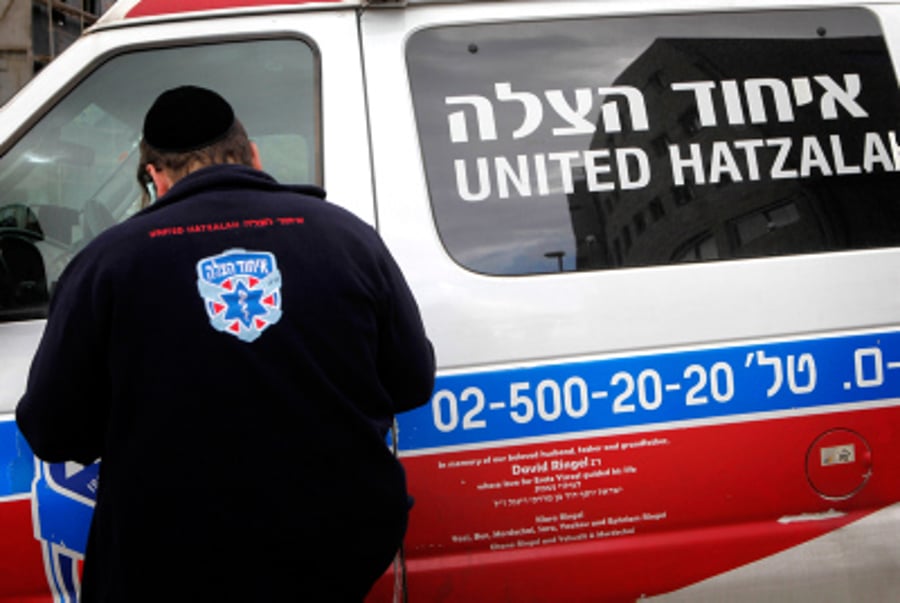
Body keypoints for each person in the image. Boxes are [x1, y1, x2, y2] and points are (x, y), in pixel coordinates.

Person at [16, 85, 435, 602]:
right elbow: (412, 382)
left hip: (171, 559)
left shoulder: (106, 264)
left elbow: (52, 430)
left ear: (155, 178)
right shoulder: (350, 238)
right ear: (253, 154)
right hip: (334, 552)